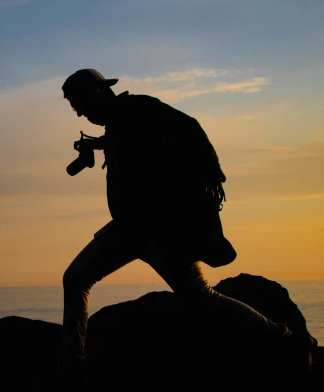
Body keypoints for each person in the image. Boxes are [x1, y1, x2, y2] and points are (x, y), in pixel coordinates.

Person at [60, 68, 295, 371]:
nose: (78, 113)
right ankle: (72, 364)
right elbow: (131, 138)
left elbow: (190, 127)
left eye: (77, 104)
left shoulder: (138, 109)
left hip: (155, 230)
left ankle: (280, 337)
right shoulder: (122, 121)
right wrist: (98, 145)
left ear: (95, 94)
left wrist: (212, 177)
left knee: (199, 297)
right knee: (79, 279)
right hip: (132, 228)